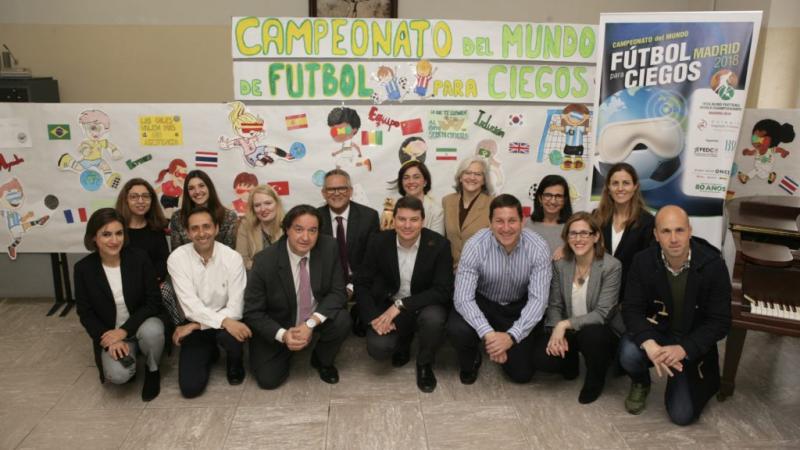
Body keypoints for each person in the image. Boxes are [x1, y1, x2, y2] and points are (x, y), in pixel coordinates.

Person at [619, 205, 731, 425]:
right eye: (666, 231)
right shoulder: (643, 261)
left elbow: (721, 321)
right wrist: (648, 343)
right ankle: (641, 382)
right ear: (656, 234)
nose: (673, 239)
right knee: (629, 352)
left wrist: (684, 349)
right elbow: (631, 308)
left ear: (690, 231)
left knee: (682, 416)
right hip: (658, 332)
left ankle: (682, 376)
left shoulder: (713, 265)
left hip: (691, 340)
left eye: (679, 230)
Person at [243, 205, 351, 389]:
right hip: (280, 322)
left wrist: (310, 324)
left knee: (342, 319)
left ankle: (321, 359)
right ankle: (288, 347)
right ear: (287, 229)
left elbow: (338, 292)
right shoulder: (264, 261)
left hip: (314, 317)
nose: (305, 237)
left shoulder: (329, 247)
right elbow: (252, 312)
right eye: (298, 229)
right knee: (268, 381)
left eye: (313, 230)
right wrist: (283, 335)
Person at [448, 194, 551, 384]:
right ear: (490, 223)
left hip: (516, 307)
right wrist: (489, 335)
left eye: (512, 221)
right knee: (457, 329)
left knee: (522, 375)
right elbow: (463, 298)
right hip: (482, 302)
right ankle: (473, 356)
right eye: (499, 221)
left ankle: (505, 345)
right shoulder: (475, 245)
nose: (505, 228)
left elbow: (539, 300)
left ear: (522, 221)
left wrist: (511, 337)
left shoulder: (538, 247)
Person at [355, 196, 453, 392]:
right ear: (394, 220)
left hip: (424, 305)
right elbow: (362, 283)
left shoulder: (439, 245)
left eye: (414, 219)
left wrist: (401, 305)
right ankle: (403, 341)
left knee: (434, 320)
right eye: (402, 219)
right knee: (378, 349)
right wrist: (373, 318)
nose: (407, 225)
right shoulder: (378, 241)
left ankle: (424, 363)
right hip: (388, 302)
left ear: (422, 221)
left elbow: (442, 290)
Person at [532, 212, 623, 404]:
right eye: (573, 234)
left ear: (596, 236)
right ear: (566, 237)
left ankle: (595, 379)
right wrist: (558, 329)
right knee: (544, 360)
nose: (578, 239)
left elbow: (602, 313)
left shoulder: (611, 266)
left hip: (598, 330)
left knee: (592, 336)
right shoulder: (561, 265)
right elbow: (555, 304)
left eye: (584, 233)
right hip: (570, 329)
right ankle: (570, 360)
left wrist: (564, 325)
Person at [74, 208, 164, 401]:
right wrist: (109, 339)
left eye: (119, 233)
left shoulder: (139, 258)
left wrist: (123, 331)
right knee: (119, 376)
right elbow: (85, 313)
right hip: (109, 333)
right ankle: (131, 354)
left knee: (153, 331)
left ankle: (152, 369)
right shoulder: (83, 269)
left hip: (139, 324)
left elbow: (153, 302)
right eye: (106, 234)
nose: (114, 240)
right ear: (93, 239)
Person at [168, 206, 250, 398]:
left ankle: (234, 361)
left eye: (206, 226)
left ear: (216, 228)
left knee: (233, 333)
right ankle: (210, 351)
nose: (201, 233)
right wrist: (219, 321)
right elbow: (190, 306)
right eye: (195, 228)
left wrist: (197, 325)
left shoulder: (232, 257)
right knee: (190, 389)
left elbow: (236, 308)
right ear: (187, 232)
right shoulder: (177, 258)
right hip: (206, 321)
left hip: (222, 323)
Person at [317, 168, 380, 336]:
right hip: (328, 283)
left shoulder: (369, 217)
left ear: (350, 191)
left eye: (342, 188)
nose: (336, 193)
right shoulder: (315, 219)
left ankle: (358, 315)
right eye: (331, 189)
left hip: (360, 281)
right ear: (323, 193)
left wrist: (352, 286)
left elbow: (372, 260)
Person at [593, 163, 654, 299]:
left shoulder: (647, 222)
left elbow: (648, 266)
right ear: (608, 188)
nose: (620, 188)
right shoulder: (596, 217)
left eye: (626, 183)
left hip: (629, 298)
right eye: (615, 183)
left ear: (635, 187)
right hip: (597, 294)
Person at [441, 157, 493, 270]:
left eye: (478, 174)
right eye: (467, 173)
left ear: (484, 180)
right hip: (450, 272)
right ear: (460, 177)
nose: (472, 177)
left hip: (481, 273)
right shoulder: (447, 201)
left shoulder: (493, 204)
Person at [116, 178, 169, 283]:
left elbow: (163, 262)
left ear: (151, 200)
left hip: (153, 286)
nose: (140, 201)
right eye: (134, 197)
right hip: (122, 286)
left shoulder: (157, 228)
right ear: (125, 200)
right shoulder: (116, 230)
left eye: (145, 196)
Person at [169, 169, 238, 250]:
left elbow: (229, 253)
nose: (197, 191)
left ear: (209, 187)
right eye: (191, 188)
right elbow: (177, 254)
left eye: (201, 186)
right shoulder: (178, 218)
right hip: (186, 262)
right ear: (187, 193)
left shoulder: (229, 217)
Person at [383, 160, 444, 235]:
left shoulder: (436, 211)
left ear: (425, 182)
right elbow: (385, 238)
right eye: (406, 178)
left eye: (416, 177)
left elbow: (436, 242)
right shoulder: (390, 208)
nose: (411, 181)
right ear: (401, 182)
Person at [236, 184, 285, 271]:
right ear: (253, 209)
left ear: (277, 204)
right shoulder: (245, 226)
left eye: (268, 203)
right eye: (257, 205)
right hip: (255, 279)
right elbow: (241, 261)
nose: (263, 209)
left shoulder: (288, 225)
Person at [526, 174, 573, 258]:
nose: (553, 201)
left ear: (565, 200)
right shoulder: (525, 225)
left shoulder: (573, 226)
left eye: (558, 196)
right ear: (540, 198)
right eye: (548, 195)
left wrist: (568, 250)